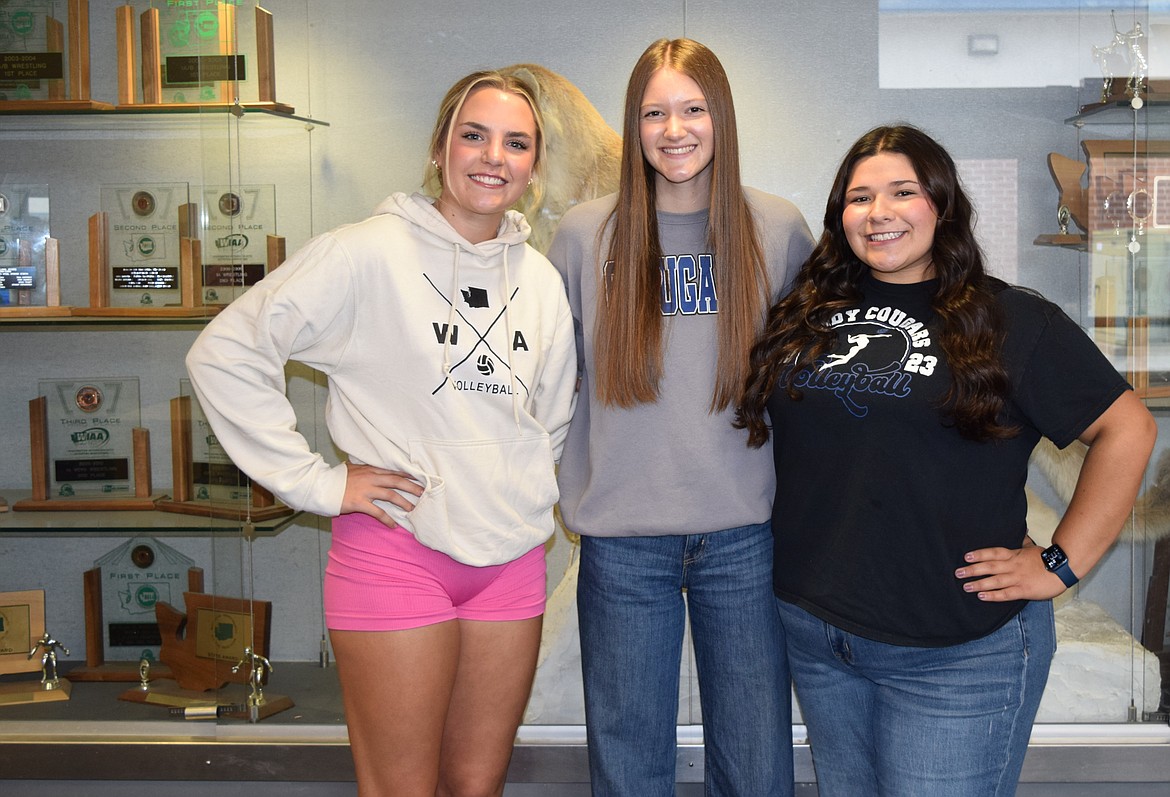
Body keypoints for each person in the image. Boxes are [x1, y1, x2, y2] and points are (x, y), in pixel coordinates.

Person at [185, 70, 577, 797]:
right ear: (439, 147)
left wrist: (509, 480)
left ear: (534, 167)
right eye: (474, 135)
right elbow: (227, 350)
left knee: (476, 786)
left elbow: (547, 421)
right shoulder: (364, 252)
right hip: (397, 555)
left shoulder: (542, 282)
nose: (494, 156)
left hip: (510, 564)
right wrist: (319, 482)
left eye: (516, 143)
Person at [737, 124, 1157, 796]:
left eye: (902, 191)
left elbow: (1128, 429)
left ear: (942, 204)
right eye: (858, 197)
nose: (879, 213)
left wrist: (1059, 562)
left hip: (956, 652)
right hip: (820, 636)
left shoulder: (1012, 319)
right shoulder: (808, 312)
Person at [547, 38, 815, 796]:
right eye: (654, 112)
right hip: (622, 547)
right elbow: (547, 384)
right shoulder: (581, 236)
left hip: (744, 540)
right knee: (628, 761)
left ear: (720, 118)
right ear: (633, 127)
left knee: (758, 760)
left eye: (693, 109)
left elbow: (814, 386)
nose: (675, 129)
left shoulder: (778, 229)